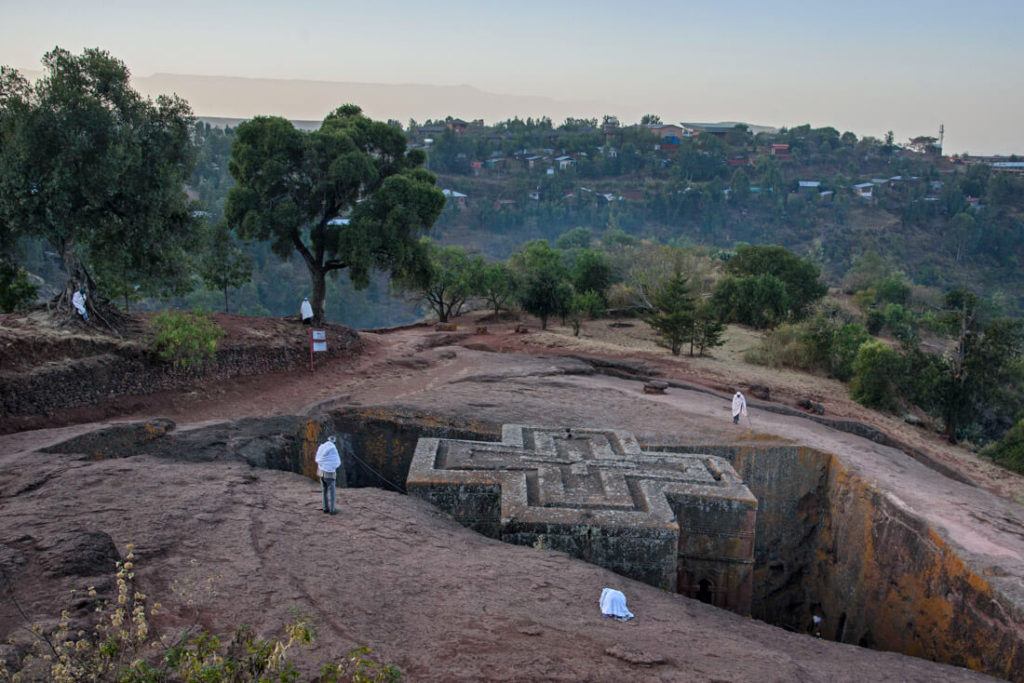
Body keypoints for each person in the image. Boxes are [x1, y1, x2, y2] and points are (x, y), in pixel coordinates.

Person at [315, 435, 341, 514]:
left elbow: (318, 458)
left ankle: (325, 508)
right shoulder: (333, 448)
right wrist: (331, 467)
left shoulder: (322, 446)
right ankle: (332, 510)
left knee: (324, 491)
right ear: (334, 441)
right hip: (329, 474)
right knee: (332, 492)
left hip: (321, 472)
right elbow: (337, 462)